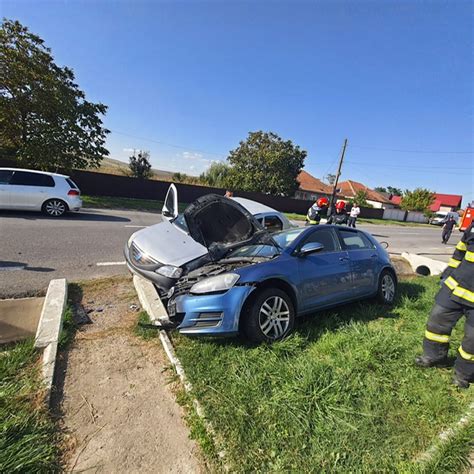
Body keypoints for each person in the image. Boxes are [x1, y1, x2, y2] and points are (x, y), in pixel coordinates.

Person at [415, 223, 474, 388]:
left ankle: (463, 375)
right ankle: (434, 356)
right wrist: (448, 273)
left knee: (473, 340)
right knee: (436, 321)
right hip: (456, 285)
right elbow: (460, 251)